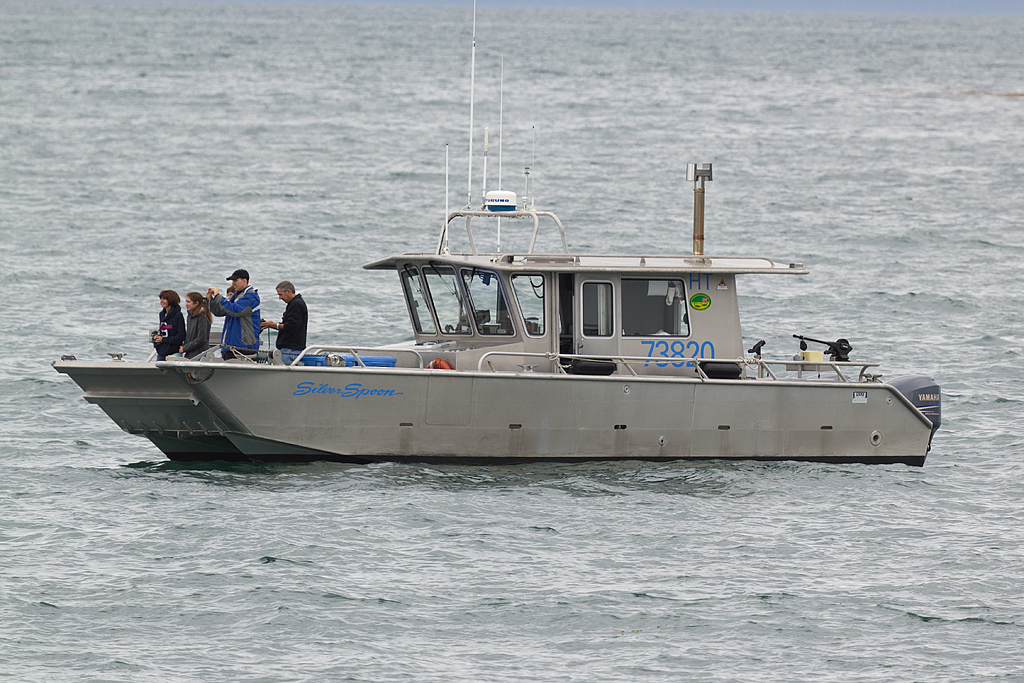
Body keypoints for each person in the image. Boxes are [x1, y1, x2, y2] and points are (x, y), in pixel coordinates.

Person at [207, 269, 261, 359]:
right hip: (231, 346)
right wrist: (211, 301)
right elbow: (220, 311)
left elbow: (235, 311)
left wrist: (218, 297)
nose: (233, 283)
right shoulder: (236, 296)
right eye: (232, 281)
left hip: (244, 347)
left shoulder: (251, 297)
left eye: (236, 280)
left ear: (244, 281)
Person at [261, 280, 308, 359]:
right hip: (291, 349)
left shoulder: (296, 304)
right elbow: (290, 325)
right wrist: (271, 325)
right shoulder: (294, 303)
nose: (280, 298)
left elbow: (292, 327)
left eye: (281, 295)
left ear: (288, 291)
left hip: (290, 350)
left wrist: (275, 325)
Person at [153, 290, 185, 362]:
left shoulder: (178, 315)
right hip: (161, 352)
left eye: (164, 299)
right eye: (161, 299)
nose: (161, 301)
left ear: (170, 300)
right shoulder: (161, 314)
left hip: (173, 352)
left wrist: (163, 340)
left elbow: (181, 336)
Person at [179, 291, 213, 359]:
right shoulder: (190, 316)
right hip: (190, 353)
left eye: (188, 302)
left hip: (200, 355)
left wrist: (185, 348)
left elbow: (201, 339)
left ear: (196, 303)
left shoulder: (202, 317)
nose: (186, 304)